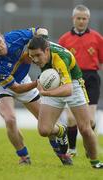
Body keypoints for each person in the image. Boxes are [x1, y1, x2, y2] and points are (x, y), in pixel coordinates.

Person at [0, 28, 72, 166]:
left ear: (2, 37)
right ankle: (24, 156)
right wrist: (38, 82)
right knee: (10, 119)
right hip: (2, 86)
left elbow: (39, 30)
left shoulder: (15, 37)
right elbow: (16, 89)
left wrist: (43, 38)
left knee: (46, 124)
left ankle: (60, 151)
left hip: (23, 79)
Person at [28, 35, 103, 169]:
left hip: (73, 85)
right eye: (32, 56)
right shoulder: (38, 45)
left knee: (85, 128)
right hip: (53, 84)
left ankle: (95, 162)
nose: (35, 59)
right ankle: (61, 131)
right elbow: (40, 33)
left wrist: (46, 93)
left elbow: (68, 90)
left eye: (38, 55)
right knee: (44, 130)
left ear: (47, 50)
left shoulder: (61, 58)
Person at [58, 4, 103, 156]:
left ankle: (90, 148)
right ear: (73, 19)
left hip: (91, 79)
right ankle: (72, 149)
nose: (81, 21)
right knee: (71, 118)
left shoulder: (97, 38)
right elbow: (59, 62)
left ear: (88, 19)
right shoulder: (64, 39)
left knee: (89, 121)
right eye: (79, 18)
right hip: (72, 79)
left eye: (84, 18)